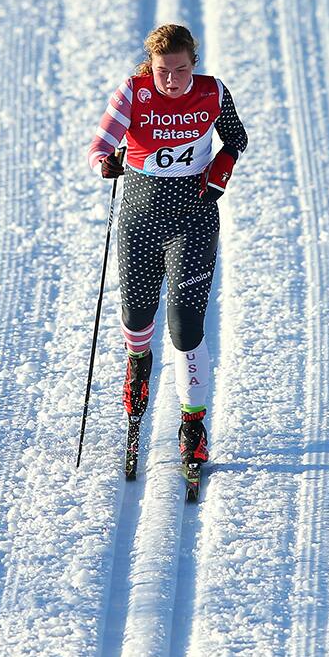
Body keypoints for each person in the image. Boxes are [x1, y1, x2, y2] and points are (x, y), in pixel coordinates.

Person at [86, 23, 247, 482]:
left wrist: (220, 169)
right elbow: (101, 142)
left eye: (180, 70)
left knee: (184, 325)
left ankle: (192, 427)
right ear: (151, 67)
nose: (172, 80)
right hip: (141, 219)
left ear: (193, 64)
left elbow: (236, 138)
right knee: (137, 318)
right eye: (163, 71)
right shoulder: (134, 94)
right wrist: (106, 162)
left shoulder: (212, 93)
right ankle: (137, 368)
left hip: (193, 220)